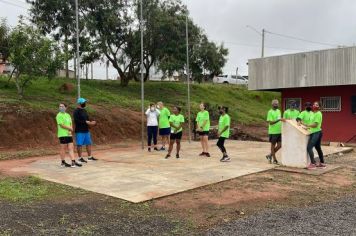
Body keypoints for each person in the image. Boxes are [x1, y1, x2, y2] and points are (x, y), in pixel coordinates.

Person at [56, 103, 82, 168]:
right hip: (62, 135)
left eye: (62, 106)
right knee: (63, 148)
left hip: (69, 134)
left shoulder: (68, 115)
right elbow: (61, 125)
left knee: (71, 148)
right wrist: (69, 128)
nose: (61, 107)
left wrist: (70, 130)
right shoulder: (59, 115)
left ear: (66, 107)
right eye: (60, 106)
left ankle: (73, 162)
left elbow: (70, 123)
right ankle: (63, 162)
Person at [73, 98, 98, 163]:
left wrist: (91, 123)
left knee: (89, 143)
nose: (85, 103)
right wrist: (86, 122)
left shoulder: (84, 110)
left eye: (85, 102)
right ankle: (80, 158)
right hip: (79, 130)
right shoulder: (76, 111)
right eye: (84, 102)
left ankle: (89, 157)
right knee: (79, 144)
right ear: (79, 103)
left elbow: (87, 119)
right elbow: (76, 120)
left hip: (86, 130)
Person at [304, 101, 326, 170]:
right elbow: (312, 123)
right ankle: (322, 163)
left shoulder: (318, 114)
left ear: (319, 107)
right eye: (314, 104)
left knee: (309, 147)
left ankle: (313, 164)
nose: (314, 105)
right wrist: (308, 127)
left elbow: (315, 124)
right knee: (318, 147)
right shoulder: (314, 113)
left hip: (316, 132)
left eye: (316, 105)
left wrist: (307, 125)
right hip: (315, 132)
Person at [266, 99, 285, 164]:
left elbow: (279, 119)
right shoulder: (270, 112)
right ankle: (274, 160)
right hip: (273, 132)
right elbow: (270, 122)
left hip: (279, 131)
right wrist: (279, 120)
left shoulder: (279, 111)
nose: (276, 105)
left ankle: (270, 155)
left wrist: (282, 120)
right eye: (275, 104)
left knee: (280, 145)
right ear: (272, 105)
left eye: (277, 104)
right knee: (273, 146)